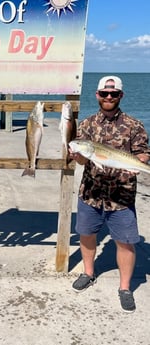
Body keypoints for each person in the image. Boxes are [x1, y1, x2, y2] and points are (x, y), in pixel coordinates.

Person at [70, 76, 150, 313]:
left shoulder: (134, 125)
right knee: (86, 234)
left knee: (125, 242)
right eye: (104, 93)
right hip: (91, 192)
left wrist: (138, 163)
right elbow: (84, 158)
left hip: (122, 195)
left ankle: (125, 288)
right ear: (97, 95)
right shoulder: (86, 124)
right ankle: (88, 272)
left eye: (113, 94)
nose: (108, 97)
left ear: (120, 96)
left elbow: (143, 153)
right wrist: (79, 155)